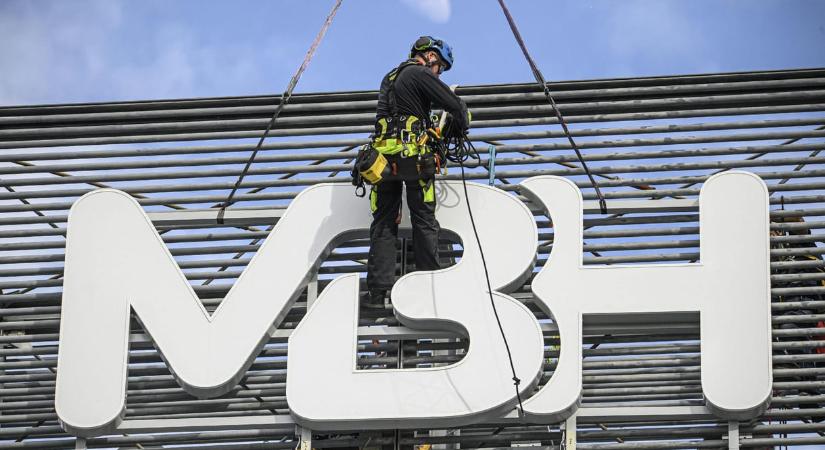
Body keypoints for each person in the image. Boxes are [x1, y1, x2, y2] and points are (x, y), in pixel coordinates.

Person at [363, 36, 470, 309]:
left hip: (381, 161)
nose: (439, 72)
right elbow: (454, 105)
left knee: (384, 221)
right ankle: (429, 281)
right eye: (440, 67)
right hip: (413, 157)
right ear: (430, 57)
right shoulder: (419, 73)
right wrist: (460, 122)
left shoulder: (390, 77)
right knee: (423, 218)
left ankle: (378, 292)